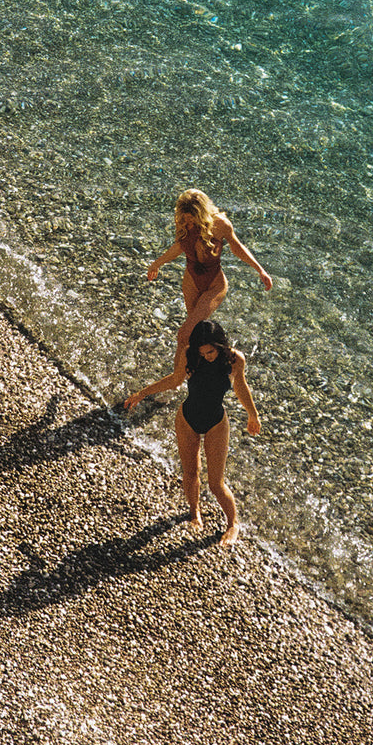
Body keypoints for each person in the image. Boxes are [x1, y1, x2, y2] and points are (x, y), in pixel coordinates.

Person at [124, 320, 261, 545]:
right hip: (187, 419)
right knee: (191, 473)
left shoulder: (235, 359)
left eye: (211, 351)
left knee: (216, 483)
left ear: (220, 345)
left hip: (216, 422)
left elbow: (240, 386)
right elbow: (175, 380)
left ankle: (233, 524)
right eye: (203, 352)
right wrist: (142, 393)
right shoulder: (191, 354)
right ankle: (194, 513)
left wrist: (253, 414)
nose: (207, 356)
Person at [147, 189, 272, 376]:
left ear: (202, 213)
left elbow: (237, 247)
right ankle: (200, 372)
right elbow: (179, 246)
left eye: (192, 219)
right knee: (196, 336)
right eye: (186, 218)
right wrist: (157, 263)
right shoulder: (182, 222)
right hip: (191, 282)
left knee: (183, 334)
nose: (188, 223)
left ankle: (176, 381)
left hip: (215, 285)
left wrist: (260, 269)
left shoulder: (221, 224)